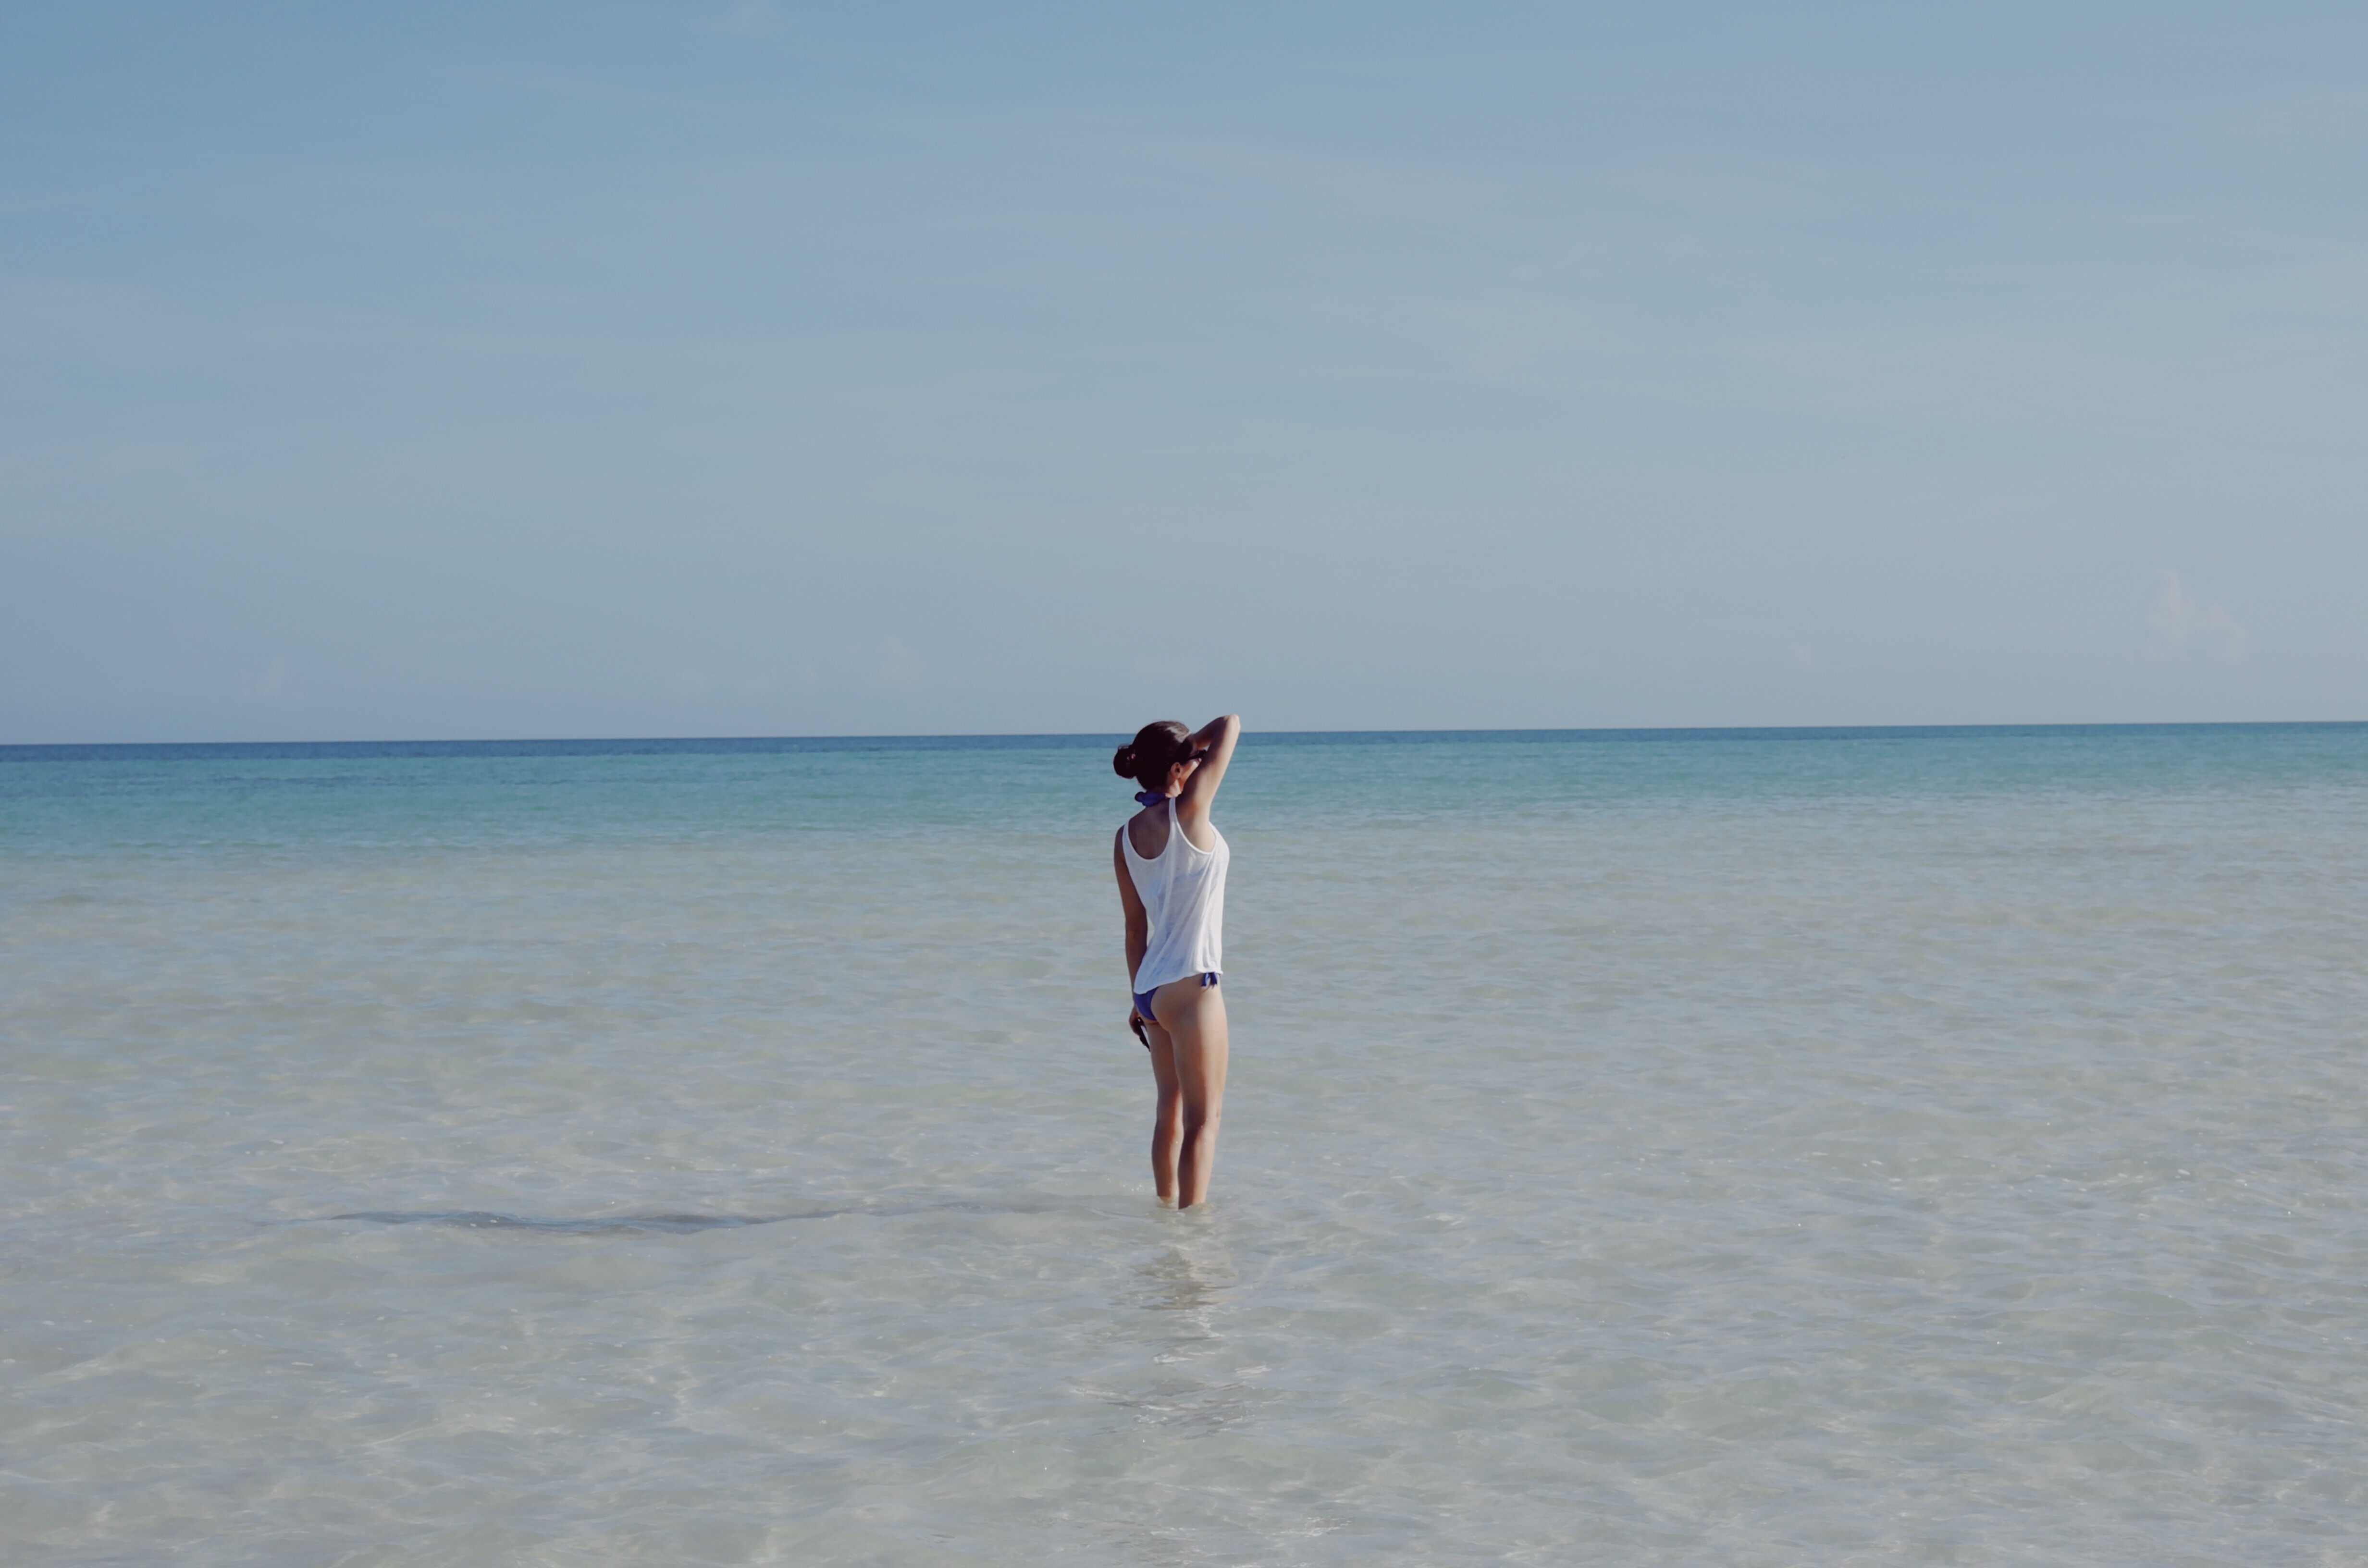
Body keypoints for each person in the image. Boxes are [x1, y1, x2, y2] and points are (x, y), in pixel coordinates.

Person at [1112, 714, 1241, 1208]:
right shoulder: (1190, 813)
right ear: (1176, 772)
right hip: (1191, 987)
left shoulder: (1124, 838)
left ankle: (1164, 1217)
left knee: (1169, 1109)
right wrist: (1196, 748)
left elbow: (1133, 929)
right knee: (1203, 1122)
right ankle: (1191, 1240)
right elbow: (1229, 723)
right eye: (1194, 763)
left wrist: (1136, 1000)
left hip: (1150, 988)